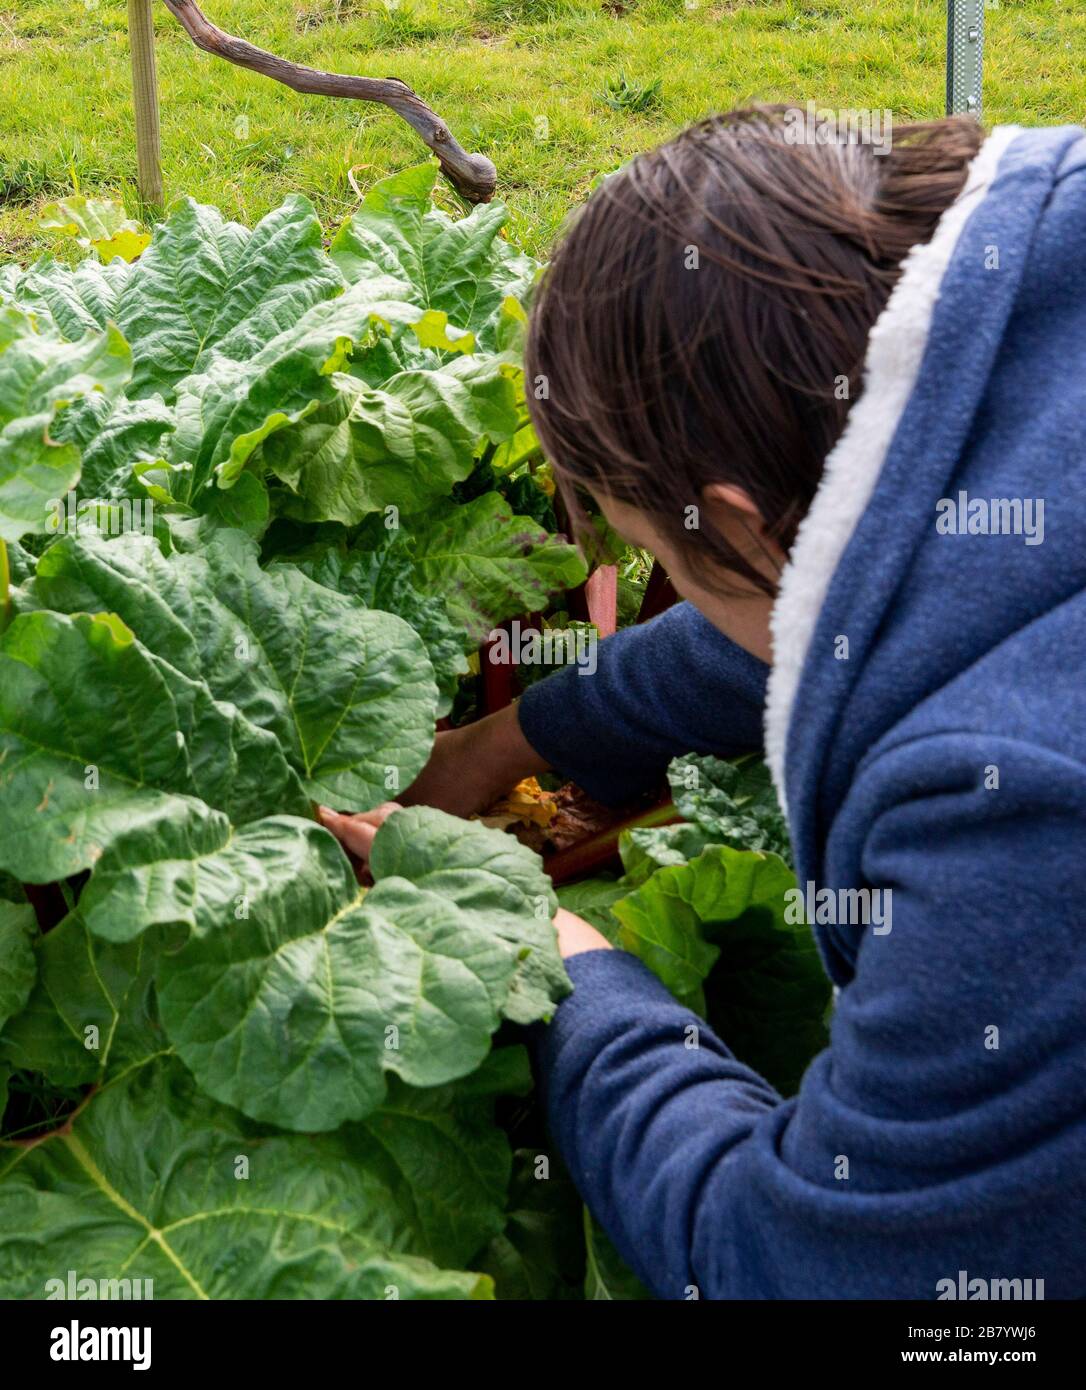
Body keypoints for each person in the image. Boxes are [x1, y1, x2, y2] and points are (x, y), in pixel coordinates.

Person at [319, 107, 1086, 1299]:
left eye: (659, 561)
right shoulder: (1033, 300)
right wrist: (517, 735)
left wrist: (549, 957)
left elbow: (806, 1269)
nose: (666, 590)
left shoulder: (1011, 810)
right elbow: (850, 600)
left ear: (727, 519)